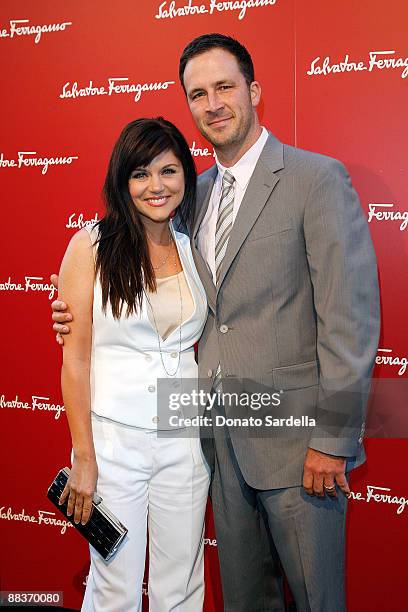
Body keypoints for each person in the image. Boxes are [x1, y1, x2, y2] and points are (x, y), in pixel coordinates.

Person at [52, 34, 380, 612]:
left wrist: (333, 439)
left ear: (253, 90)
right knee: (239, 598)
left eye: (225, 87)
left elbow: (349, 324)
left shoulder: (315, 179)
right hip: (216, 448)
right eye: (198, 93)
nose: (213, 103)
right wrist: (76, 315)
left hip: (297, 446)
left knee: (314, 598)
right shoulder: (192, 198)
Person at [56, 117, 210, 612]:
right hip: (113, 444)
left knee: (181, 585)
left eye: (168, 171)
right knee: (113, 586)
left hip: (185, 440)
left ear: (185, 174)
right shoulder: (91, 246)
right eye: (141, 174)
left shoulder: (196, 246)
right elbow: (75, 361)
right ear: (123, 180)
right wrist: (84, 455)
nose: (156, 186)